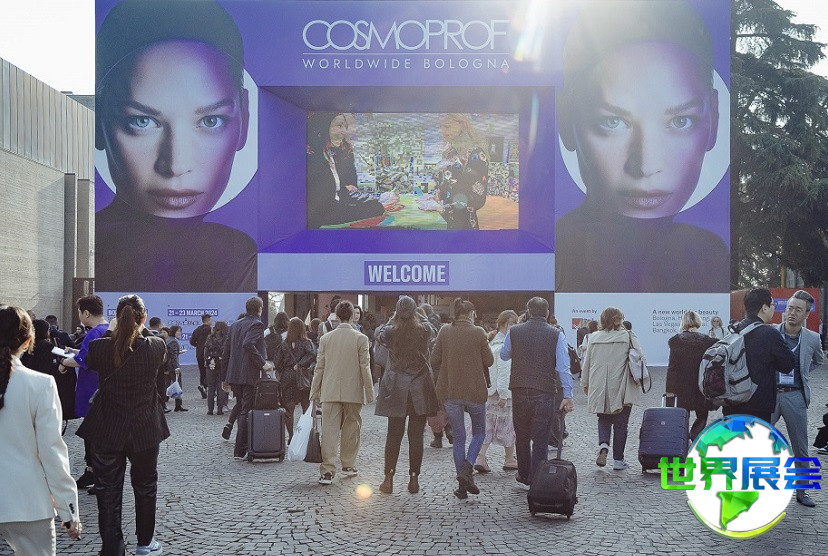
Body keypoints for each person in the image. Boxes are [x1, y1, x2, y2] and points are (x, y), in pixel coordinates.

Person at [555, 0, 728, 293]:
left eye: (681, 121)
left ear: (713, 118)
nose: (646, 165)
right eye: (612, 122)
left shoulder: (711, 258)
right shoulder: (551, 257)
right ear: (565, 119)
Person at [94, 0, 257, 292]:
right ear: (99, 121)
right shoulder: (85, 254)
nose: (175, 165)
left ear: (244, 117)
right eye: (142, 121)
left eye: (210, 121)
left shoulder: (242, 256)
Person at [75, 295, 169, 556]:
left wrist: (115, 329)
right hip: (144, 428)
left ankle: (112, 548)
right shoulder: (156, 346)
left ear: (116, 318)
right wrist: (138, 327)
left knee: (108, 491)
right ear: (143, 318)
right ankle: (145, 543)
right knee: (145, 486)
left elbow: (93, 360)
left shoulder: (99, 347)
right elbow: (148, 342)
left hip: (108, 428)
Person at [0, 306, 81, 555]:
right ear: (27, 341)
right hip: (26, 501)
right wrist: (69, 510)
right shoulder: (40, 385)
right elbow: (51, 452)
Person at [500, 298, 574, 486]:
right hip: (544, 390)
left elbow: (504, 354)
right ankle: (537, 478)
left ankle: (524, 474)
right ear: (547, 313)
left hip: (519, 388)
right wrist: (568, 395)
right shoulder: (556, 334)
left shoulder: (514, 331)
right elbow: (563, 367)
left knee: (522, 435)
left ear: (528, 311)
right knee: (541, 438)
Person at [374, 296, 439, 495]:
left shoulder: (390, 332)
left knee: (393, 435)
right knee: (416, 435)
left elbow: (379, 333)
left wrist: (393, 318)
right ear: (415, 311)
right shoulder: (424, 330)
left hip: (396, 387)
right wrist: (419, 315)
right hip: (419, 386)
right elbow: (433, 329)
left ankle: (388, 479)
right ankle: (413, 479)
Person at [430, 298, 494, 498]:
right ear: (471, 314)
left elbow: (434, 360)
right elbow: (489, 360)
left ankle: (462, 485)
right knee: (479, 433)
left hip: (451, 392)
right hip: (475, 392)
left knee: (459, 437)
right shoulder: (478, 332)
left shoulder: (444, 331)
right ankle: (467, 469)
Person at [309, 301, 374, 485]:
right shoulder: (361, 338)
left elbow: (319, 367)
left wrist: (314, 391)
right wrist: (369, 392)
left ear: (336, 316)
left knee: (329, 430)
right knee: (352, 427)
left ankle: (327, 470)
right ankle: (348, 464)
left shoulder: (326, 339)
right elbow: (365, 367)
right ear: (352, 316)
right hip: (353, 390)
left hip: (329, 389)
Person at [770, 290, 824, 507]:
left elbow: (818, 360)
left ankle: (802, 491)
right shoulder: (771, 333)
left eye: (798, 310)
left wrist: (803, 373)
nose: (791, 313)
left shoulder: (812, 338)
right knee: (757, 439)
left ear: (806, 314)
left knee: (800, 447)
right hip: (770, 395)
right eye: (789, 308)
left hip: (795, 396)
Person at [581, 306, 644, 470]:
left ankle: (603, 445)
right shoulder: (628, 336)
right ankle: (618, 460)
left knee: (603, 418)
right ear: (620, 319)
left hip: (599, 383)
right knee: (621, 424)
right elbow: (640, 357)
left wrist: (585, 383)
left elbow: (587, 363)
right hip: (621, 384)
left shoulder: (594, 337)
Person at [306, 113, 393, 228]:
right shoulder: (313, 160)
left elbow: (338, 196)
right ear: (324, 128)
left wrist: (375, 202)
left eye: (345, 127)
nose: (344, 131)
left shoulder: (329, 155)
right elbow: (323, 212)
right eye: (339, 126)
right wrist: (377, 207)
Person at [59, 294, 109, 490]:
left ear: (86, 313)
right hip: (101, 388)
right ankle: (92, 471)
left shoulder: (94, 333)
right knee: (95, 433)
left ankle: (96, 474)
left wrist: (64, 362)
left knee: (93, 434)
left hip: (91, 391)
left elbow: (84, 360)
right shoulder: (106, 330)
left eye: (79, 312)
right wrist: (74, 352)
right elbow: (88, 355)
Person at [723, 287, 796, 423]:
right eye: (772, 304)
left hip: (731, 403)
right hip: (758, 406)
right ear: (764, 308)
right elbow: (788, 365)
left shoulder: (734, 330)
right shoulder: (770, 334)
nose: (774, 308)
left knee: (735, 437)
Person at [221, 296, 273, 460]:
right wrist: (263, 363)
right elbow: (248, 344)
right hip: (249, 374)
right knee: (246, 411)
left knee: (242, 408)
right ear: (259, 309)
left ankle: (242, 447)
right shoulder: (257, 324)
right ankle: (241, 449)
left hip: (235, 374)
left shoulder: (235, 325)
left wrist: (224, 378)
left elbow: (226, 352)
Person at [474, 310, 519, 473]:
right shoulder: (504, 346)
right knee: (508, 426)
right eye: (513, 324)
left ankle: (480, 456)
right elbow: (504, 371)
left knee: (488, 425)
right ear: (506, 324)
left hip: (490, 391)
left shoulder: (491, 342)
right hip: (502, 393)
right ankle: (509, 458)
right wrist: (504, 394)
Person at [665, 310, 716, 441]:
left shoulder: (676, 341)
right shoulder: (707, 341)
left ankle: (682, 441)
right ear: (698, 322)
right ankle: (695, 435)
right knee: (702, 415)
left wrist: (669, 390)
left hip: (682, 386)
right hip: (701, 385)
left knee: (682, 415)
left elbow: (673, 368)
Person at [432, 114, 489, 229]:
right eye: (440, 127)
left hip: (464, 225)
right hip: (446, 221)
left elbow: (477, 198)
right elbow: (444, 183)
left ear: (462, 126)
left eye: (447, 126)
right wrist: (439, 192)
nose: (442, 131)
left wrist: (444, 208)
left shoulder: (476, 154)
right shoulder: (449, 154)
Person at [273, 317, 316, 443]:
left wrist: (284, 371)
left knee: (289, 409)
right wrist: (301, 364)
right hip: (302, 377)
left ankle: (291, 437)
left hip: (287, 377)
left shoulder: (283, 344)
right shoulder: (306, 343)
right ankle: (305, 436)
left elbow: (277, 362)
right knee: (306, 408)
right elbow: (312, 355)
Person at [204, 321, 229, 416]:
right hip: (222, 363)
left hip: (211, 363)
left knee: (211, 387)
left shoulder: (210, 337)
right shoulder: (226, 338)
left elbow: (206, 350)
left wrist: (206, 361)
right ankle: (220, 409)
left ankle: (210, 410)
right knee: (221, 386)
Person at [189, 314, 212, 399]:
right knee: (210, 372)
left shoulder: (197, 330)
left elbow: (192, 342)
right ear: (208, 320)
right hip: (209, 354)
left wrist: (198, 346)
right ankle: (209, 389)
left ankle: (203, 387)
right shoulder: (210, 330)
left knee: (202, 372)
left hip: (199, 354)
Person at [165, 325, 187, 412]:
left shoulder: (168, 340)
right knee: (177, 385)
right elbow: (173, 356)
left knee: (166, 385)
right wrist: (176, 367)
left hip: (168, 366)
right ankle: (178, 405)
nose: (180, 333)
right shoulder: (173, 341)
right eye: (178, 331)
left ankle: (164, 403)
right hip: (172, 367)